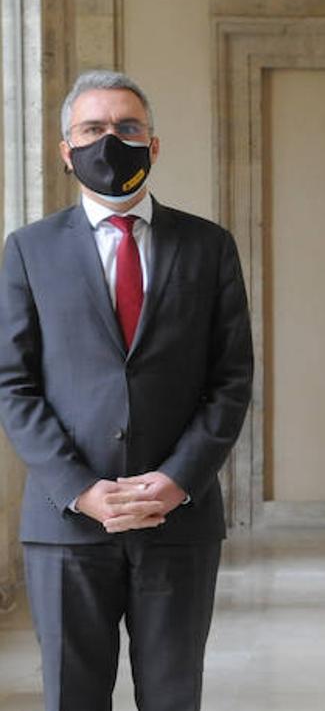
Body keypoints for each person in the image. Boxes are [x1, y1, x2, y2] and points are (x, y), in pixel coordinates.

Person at [0, 70, 254, 710]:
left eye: (127, 128)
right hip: (67, 525)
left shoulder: (209, 246)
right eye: (92, 129)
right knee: (73, 698)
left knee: (173, 697)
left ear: (153, 144)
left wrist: (176, 480)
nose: (110, 141)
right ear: (66, 151)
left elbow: (231, 380)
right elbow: (13, 383)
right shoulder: (28, 251)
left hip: (178, 519)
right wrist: (81, 489)